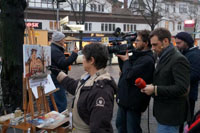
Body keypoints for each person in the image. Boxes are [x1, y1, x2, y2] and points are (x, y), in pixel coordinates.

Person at [52, 43, 117, 133]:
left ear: (91, 60)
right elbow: (76, 87)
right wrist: (59, 74)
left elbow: (99, 128)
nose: (82, 60)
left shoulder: (101, 90)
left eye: (83, 57)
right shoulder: (90, 76)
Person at [141, 28, 190, 133]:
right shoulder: (163, 56)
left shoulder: (178, 59)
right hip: (164, 113)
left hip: (171, 115)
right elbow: (165, 80)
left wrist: (155, 89)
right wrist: (151, 87)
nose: (153, 48)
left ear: (166, 41)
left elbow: (182, 88)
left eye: (155, 45)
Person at [116, 30, 155, 133]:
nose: (135, 43)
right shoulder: (136, 54)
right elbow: (124, 71)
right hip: (124, 99)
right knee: (120, 126)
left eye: (138, 40)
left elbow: (129, 76)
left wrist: (127, 61)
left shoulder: (147, 60)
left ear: (146, 43)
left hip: (134, 102)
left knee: (132, 129)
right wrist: (121, 57)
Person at [175, 32, 200, 132]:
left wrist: (178, 79)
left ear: (187, 42)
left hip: (188, 96)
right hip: (183, 93)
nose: (177, 45)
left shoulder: (195, 55)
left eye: (179, 43)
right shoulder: (185, 52)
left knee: (185, 122)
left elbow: (195, 75)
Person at [50, 31, 78, 112]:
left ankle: (53, 116)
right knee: (61, 102)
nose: (64, 40)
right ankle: (59, 119)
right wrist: (74, 54)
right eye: (63, 39)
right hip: (58, 76)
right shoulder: (55, 50)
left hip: (56, 75)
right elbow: (63, 63)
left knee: (55, 100)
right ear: (59, 40)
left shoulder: (55, 48)